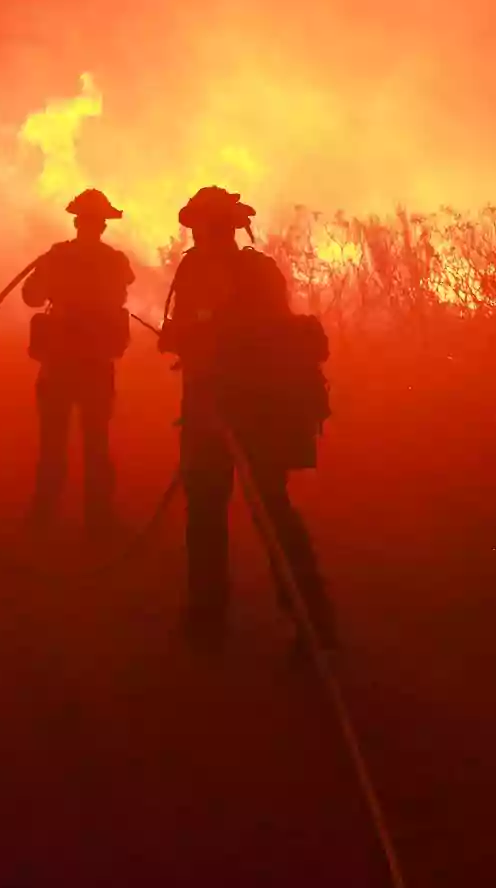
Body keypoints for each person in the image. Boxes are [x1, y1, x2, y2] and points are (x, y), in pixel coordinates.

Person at [158, 185, 337, 656]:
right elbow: (181, 328)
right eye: (199, 227)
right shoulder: (193, 268)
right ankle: (206, 619)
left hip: (255, 409)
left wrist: (211, 348)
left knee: (270, 510)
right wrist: (184, 340)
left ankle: (311, 624)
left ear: (227, 228)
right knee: (206, 514)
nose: (201, 235)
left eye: (208, 226)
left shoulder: (257, 273)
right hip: (205, 408)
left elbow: (265, 335)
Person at [22, 188, 135, 537]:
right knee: (96, 441)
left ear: (76, 222)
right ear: (102, 226)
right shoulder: (115, 261)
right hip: (96, 364)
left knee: (53, 441)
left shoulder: (57, 256)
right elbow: (120, 294)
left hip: (59, 362)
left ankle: (43, 517)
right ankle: (98, 520)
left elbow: (31, 297)